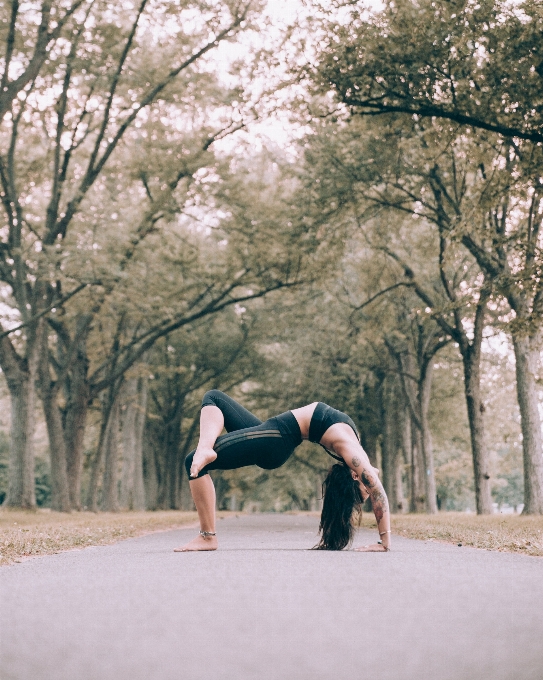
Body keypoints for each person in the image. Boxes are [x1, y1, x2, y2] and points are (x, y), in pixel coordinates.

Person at [174, 390, 391, 552]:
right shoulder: (356, 452)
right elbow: (376, 482)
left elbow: (378, 491)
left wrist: (384, 543)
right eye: (365, 492)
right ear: (355, 475)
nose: (370, 485)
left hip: (276, 441)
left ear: (355, 475)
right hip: (272, 434)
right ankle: (205, 448)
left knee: (194, 461)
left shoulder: (353, 453)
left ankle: (208, 537)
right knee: (214, 398)